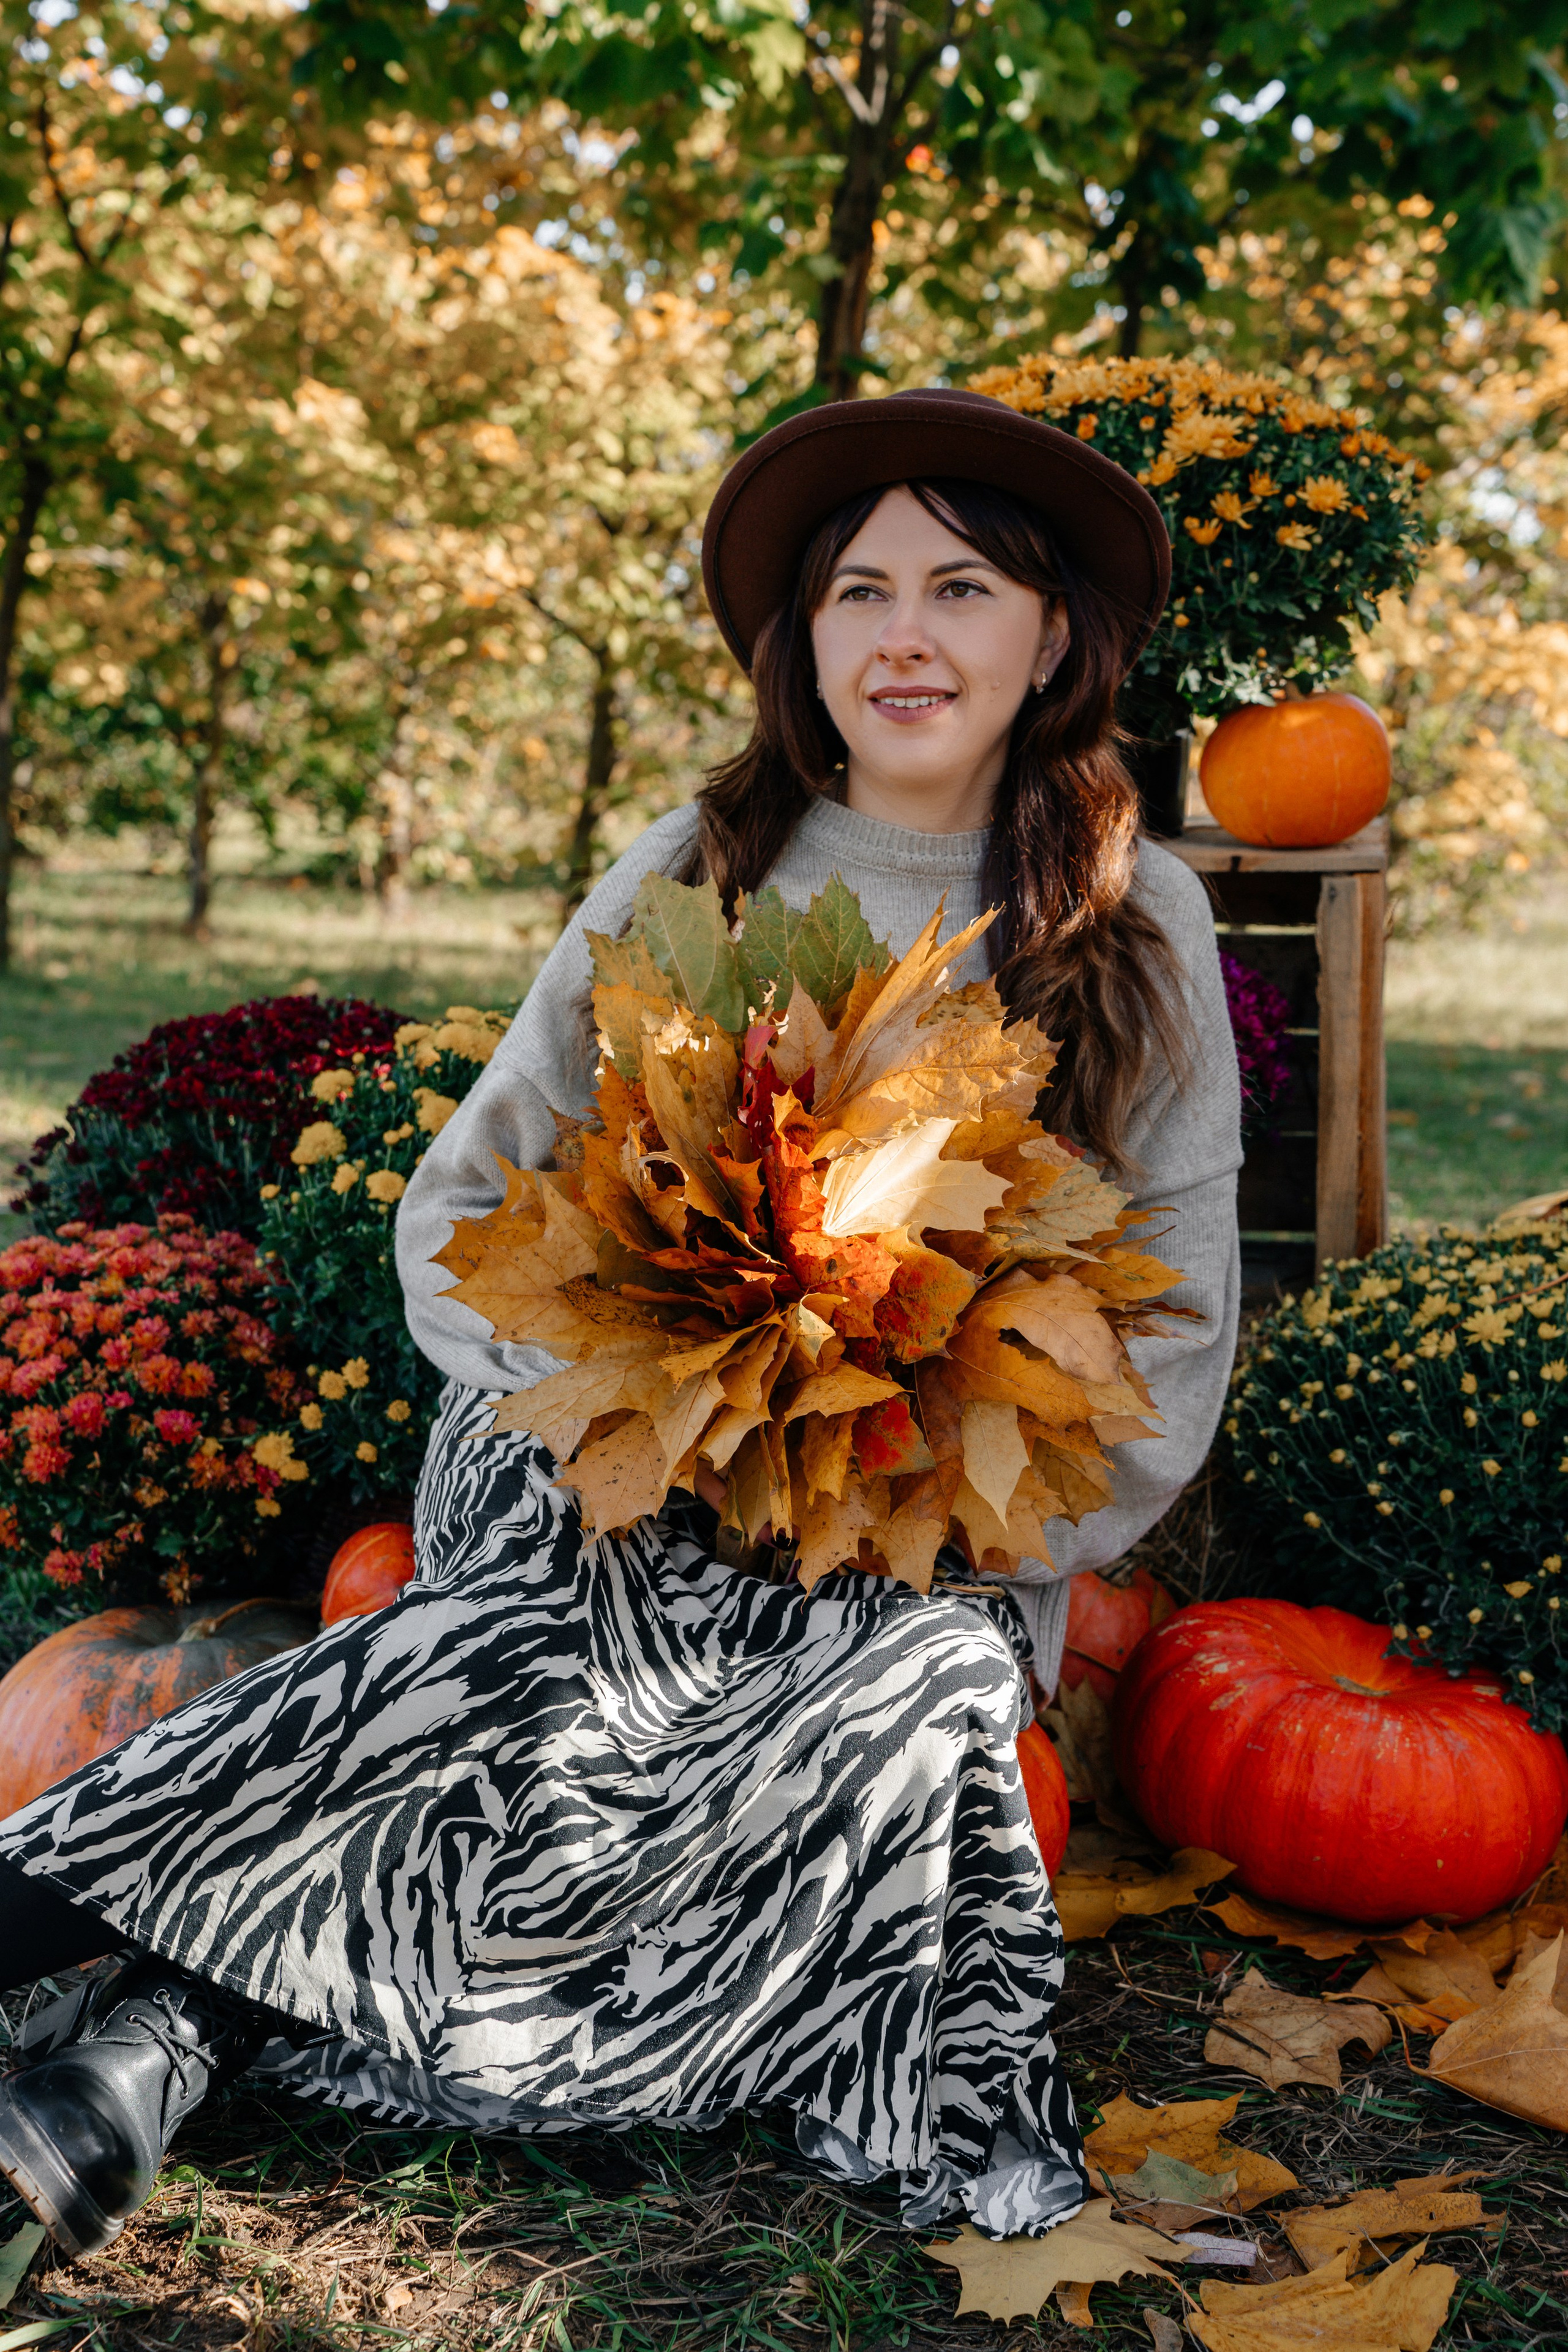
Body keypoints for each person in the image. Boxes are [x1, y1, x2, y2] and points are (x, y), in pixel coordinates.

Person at [0, 388, 1241, 2260]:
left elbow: (1177, 1332)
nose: (906, 635)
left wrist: (902, 1506)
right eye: (860, 593)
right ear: (800, 638)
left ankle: (169, 2023)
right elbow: (466, 1207)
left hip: (924, 1539)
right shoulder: (701, 863)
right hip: (594, 1465)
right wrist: (619, 1415)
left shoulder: (1135, 924)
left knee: (885, 1705)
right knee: (580, 1609)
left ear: (1050, 634)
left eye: (963, 587)